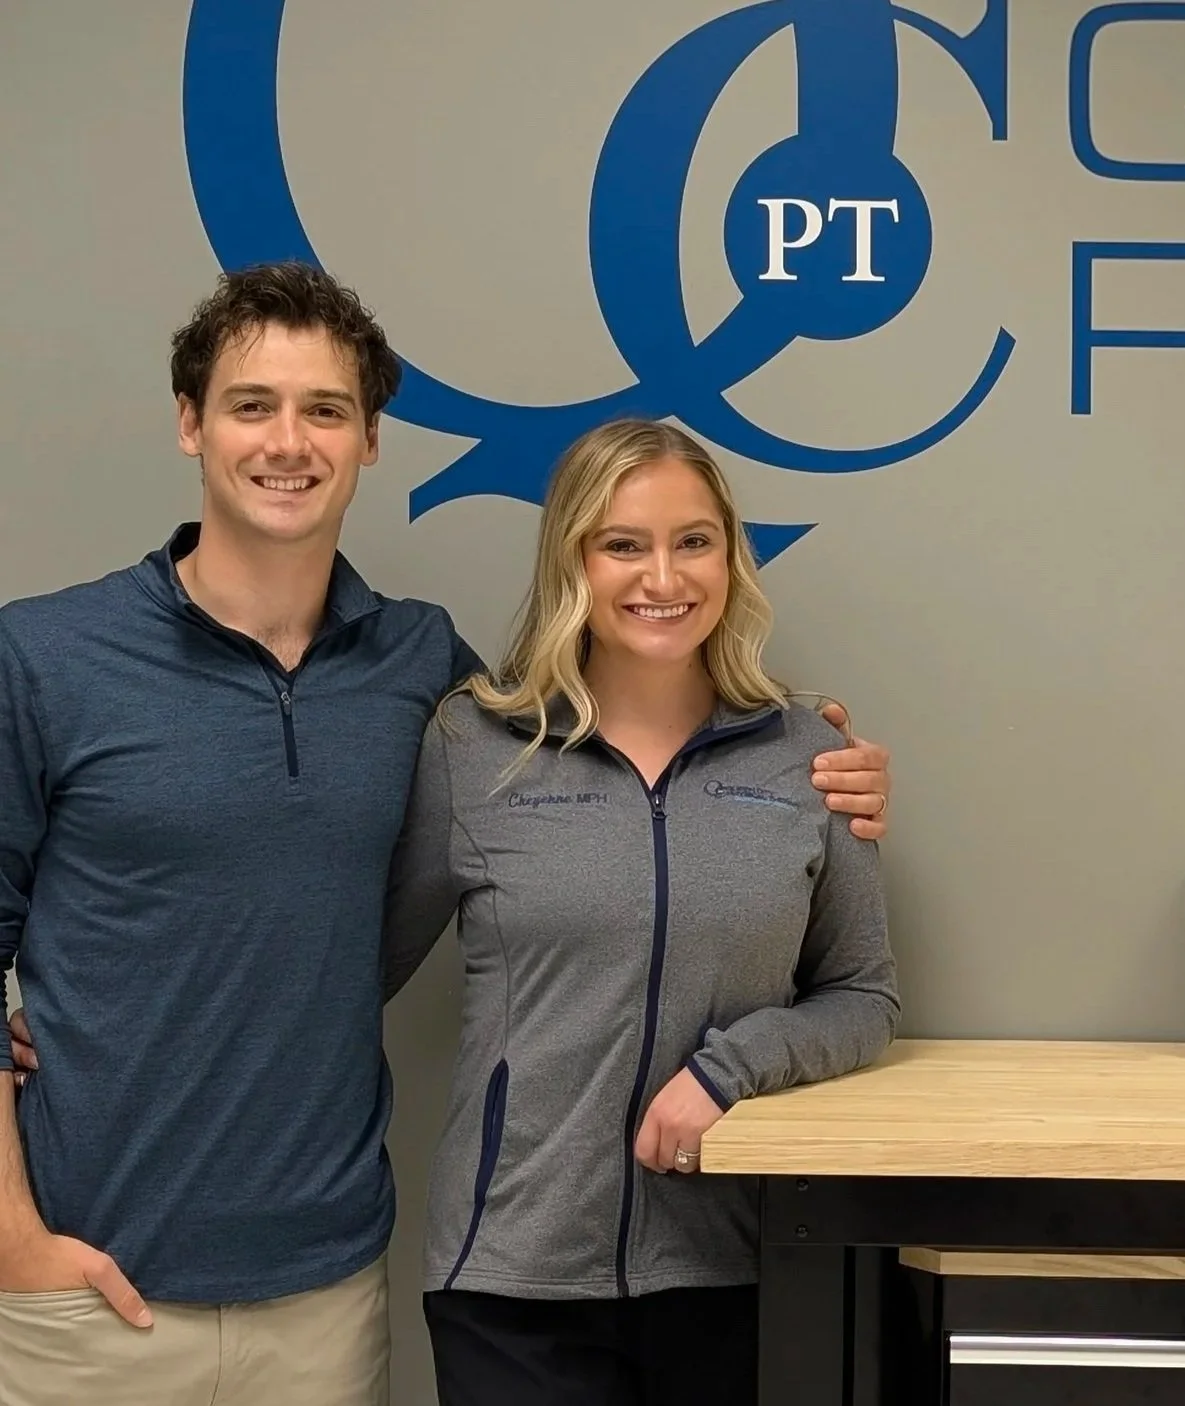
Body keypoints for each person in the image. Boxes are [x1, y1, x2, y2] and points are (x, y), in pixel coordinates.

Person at [0, 262, 894, 1406]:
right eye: (251, 404)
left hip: (325, 1287)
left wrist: (822, 774)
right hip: (87, 1283)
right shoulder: (46, 656)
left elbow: (601, 780)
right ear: (190, 422)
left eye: (326, 409)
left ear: (370, 437)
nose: (290, 441)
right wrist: (14, 1232)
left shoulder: (424, 673)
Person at [379, 417, 896, 1405]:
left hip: (735, 1266)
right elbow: (352, 964)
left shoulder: (809, 751)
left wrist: (726, 1071)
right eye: (623, 543)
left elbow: (863, 993)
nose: (664, 576)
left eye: (693, 540)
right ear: (573, 557)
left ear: (730, 556)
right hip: (511, 1277)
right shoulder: (475, 743)